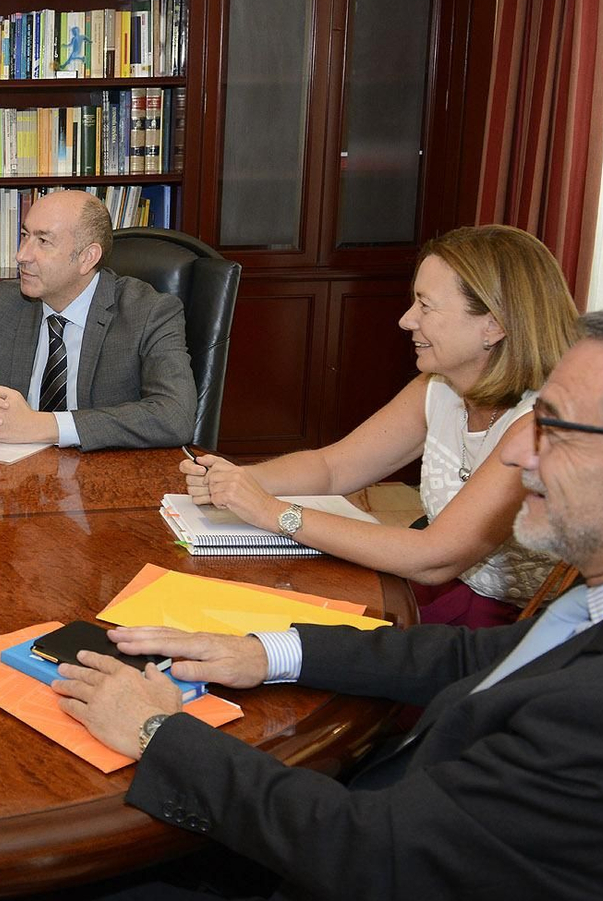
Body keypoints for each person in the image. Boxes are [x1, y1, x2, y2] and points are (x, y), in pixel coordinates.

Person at [49, 309, 603, 901]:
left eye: (554, 427)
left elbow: (370, 852)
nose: (515, 455)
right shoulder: (600, 599)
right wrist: (265, 650)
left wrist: (156, 733)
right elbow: (467, 654)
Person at [182, 225, 578, 627]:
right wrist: (236, 479)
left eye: (426, 306)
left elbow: (434, 557)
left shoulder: (538, 426)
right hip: (435, 585)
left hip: (509, 624)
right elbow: (334, 467)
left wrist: (272, 512)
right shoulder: (438, 386)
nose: (407, 320)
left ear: (493, 325)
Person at [0, 190, 196, 450]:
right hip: (15, 481)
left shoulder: (149, 312)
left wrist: (43, 426)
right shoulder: (7, 303)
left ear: (87, 258)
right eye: (25, 235)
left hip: (104, 487)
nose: (21, 255)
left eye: (43, 241)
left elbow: (174, 415)